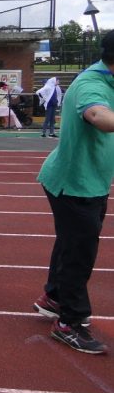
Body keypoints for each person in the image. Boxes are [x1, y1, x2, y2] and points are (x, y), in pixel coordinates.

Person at [32, 31, 114, 355]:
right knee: (81, 251)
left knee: (71, 242)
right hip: (73, 183)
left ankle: (53, 295)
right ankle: (69, 322)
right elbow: (99, 116)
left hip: (89, 180)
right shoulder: (92, 84)